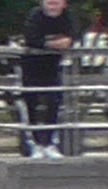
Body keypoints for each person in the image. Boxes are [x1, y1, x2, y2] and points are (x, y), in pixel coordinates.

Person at [22, 0, 80, 158]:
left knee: (54, 103)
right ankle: (35, 144)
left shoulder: (68, 16)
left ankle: (49, 143)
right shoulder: (35, 15)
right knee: (32, 105)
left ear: (64, 4)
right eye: (49, 2)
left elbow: (74, 35)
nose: (53, 5)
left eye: (56, 2)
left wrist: (67, 42)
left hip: (54, 68)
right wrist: (53, 44)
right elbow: (31, 38)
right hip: (31, 68)